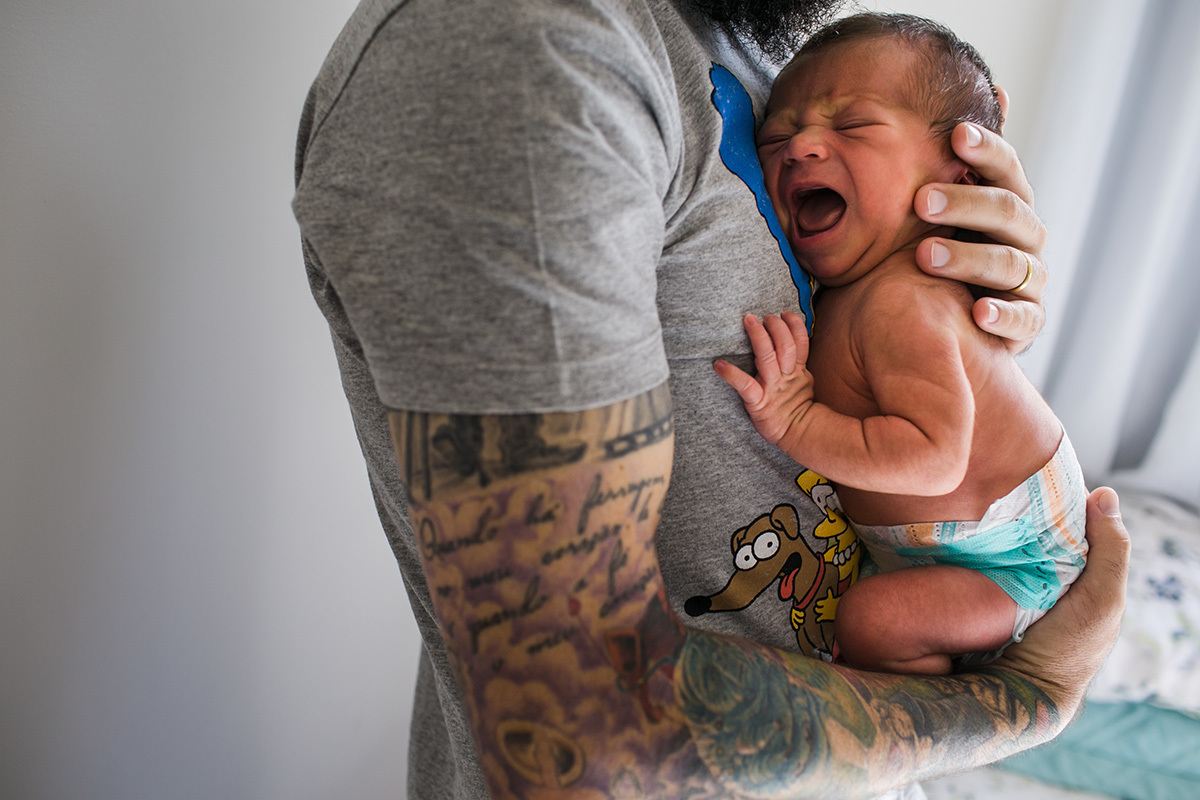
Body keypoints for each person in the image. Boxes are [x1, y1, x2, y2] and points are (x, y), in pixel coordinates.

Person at [291, 1, 1129, 798]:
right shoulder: (530, 58)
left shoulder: (753, 53)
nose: (802, 145)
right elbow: (580, 727)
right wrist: (1029, 698)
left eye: (851, 126)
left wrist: (974, 313)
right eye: (789, 135)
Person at [716, 13, 1088, 675]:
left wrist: (797, 421)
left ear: (961, 177)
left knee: (874, 621)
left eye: (853, 125)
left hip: (1011, 559)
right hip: (942, 550)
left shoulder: (904, 300)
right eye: (774, 137)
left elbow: (934, 460)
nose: (800, 146)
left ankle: (935, 709)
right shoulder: (852, 283)